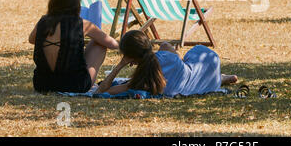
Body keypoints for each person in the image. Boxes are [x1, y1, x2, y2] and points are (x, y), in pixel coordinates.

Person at [29, 0, 119, 93]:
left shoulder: (43, 22)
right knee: (99, 44)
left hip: (42, 84)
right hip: (75, 85)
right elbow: (112, 44)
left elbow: (32, 40)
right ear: (77, 3)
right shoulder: (83, 24)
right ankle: (89, 82)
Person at [95, 30, 238, 97]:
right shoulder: (167, 58)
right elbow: (164, 47)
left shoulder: (142, 80)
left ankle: (222, 77)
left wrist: (120, 65)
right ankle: (221, 77)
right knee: (166, 47)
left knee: (175, 59)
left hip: (207, 82)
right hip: (209, 63)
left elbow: (101, 92)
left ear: (130, 58)